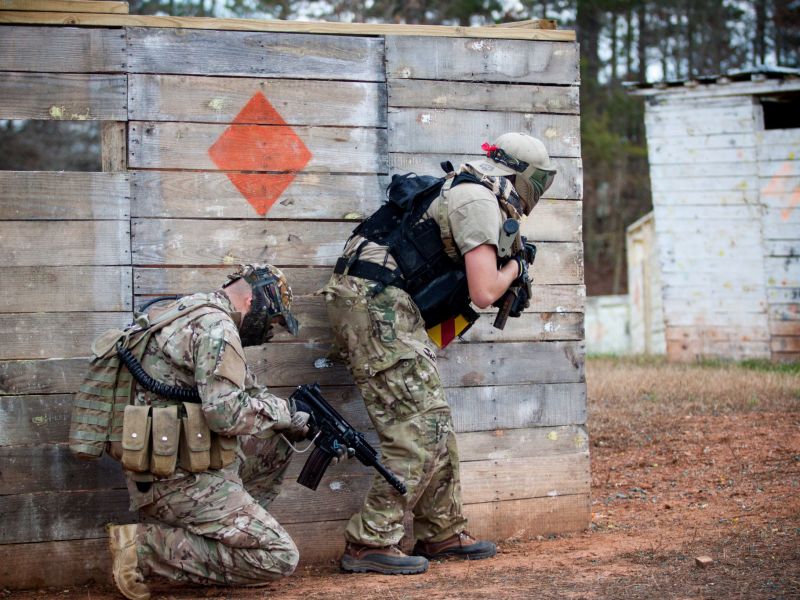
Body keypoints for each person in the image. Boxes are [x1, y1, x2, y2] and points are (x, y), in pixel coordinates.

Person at [321, 132, 557, 574]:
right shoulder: (477, 201)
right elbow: (485, 290)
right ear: (523, 176)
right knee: (420, 425)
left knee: (435, 421)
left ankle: (441, 531)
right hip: (375, 304)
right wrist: (516, 268)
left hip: (384, 304)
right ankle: (368, 541)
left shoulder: (470, 191)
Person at [106, 264, 309, 600]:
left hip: (165, 467)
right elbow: (226, 415)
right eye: (273, 321)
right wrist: (285, 412)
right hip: (177, 480)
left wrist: (289, 417)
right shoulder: (218, 327)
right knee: (280, 556)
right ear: (254, 303)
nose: (269, 331)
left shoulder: (190, 311)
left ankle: (233, 531)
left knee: (278, 439)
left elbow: (248, 392)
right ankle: (144, 548)